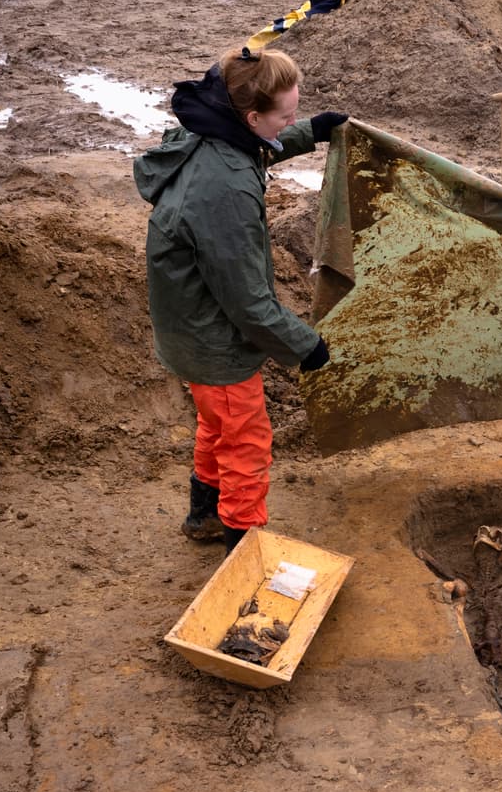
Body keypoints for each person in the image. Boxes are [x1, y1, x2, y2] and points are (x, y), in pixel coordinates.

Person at [133, 46, 347, 553]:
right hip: (215, 343)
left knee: (217, 427)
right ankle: (241, 553)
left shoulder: (209, 126)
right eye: (285, 116)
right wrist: (306, 347)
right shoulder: (225, 193)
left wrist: (308, 131)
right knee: (247, 444)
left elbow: (252, 145)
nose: (290, 120)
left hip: (187, 325)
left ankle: (205, 517)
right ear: (252, 116)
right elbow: (249, 304)